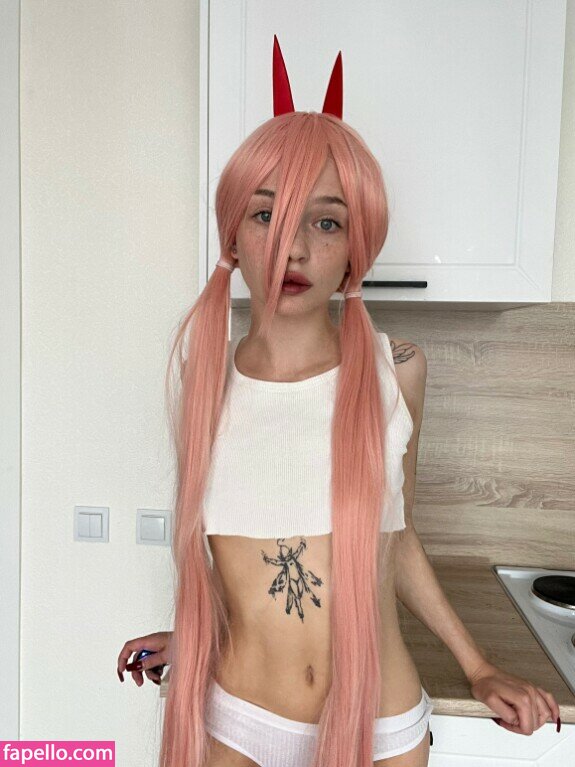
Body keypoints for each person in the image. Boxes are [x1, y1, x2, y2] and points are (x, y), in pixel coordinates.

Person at [117, 38, 560, 767]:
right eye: (266, 215)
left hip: (378, 720)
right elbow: (229, 557)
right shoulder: (202, 381)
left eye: (325, 222)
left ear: (356, 245)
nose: (292, 249)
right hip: (239, 716)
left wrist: (477, 664)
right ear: (234, 233)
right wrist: (196, 635)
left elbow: (396, 536)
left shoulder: (395, 371)